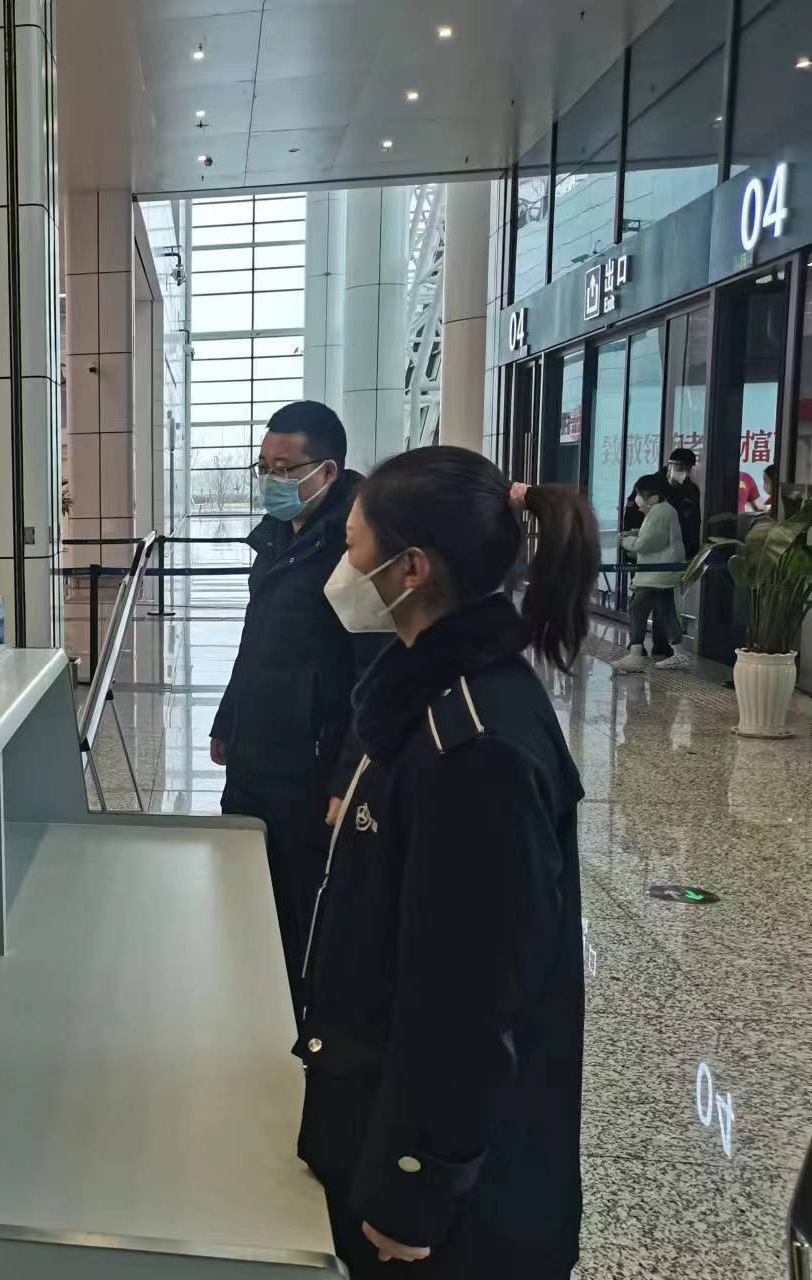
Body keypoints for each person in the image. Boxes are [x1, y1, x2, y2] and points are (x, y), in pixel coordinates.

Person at [301, 446, 593, 1278]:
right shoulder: (427, 696)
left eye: (353, 546)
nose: (342, 569)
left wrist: (415, 1181)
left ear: (412, 567)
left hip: (462, 1201)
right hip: (376, 1096)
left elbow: (466, 997)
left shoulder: (474, 747)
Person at [210, 401, 382, 997]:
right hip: (255, 748)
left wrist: (347, 776)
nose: (270, 481)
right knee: (242, 878)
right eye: (263, 467)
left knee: (299, 899)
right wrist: (227, 717)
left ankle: (294, 1010)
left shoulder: (358, 546)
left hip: (312, 760)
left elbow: (372, 673)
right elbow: (256, 637)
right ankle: (245, 996)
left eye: (284, 469)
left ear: (327, 470)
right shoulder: (278, 534)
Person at [617, 472, 690, 673]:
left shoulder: (660, 512)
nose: (637, 499)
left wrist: (625, 540)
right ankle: (680, 653)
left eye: (640, 494)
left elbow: (646, 544)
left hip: (655, 575)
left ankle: (635, 655)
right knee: (667, 612)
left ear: (653, 496)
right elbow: (654, 538)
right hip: (661, 573)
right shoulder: (663, 511)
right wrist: (636, 534)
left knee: (636, 608)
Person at [665, 447, 702, 558]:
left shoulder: (692, 490)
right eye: (681, 467)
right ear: (670, 465)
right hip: (658, 549)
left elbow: (695, 523)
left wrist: (693, 552)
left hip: (683, 550)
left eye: (688, 468)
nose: (685, 472)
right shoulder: (652, 484)